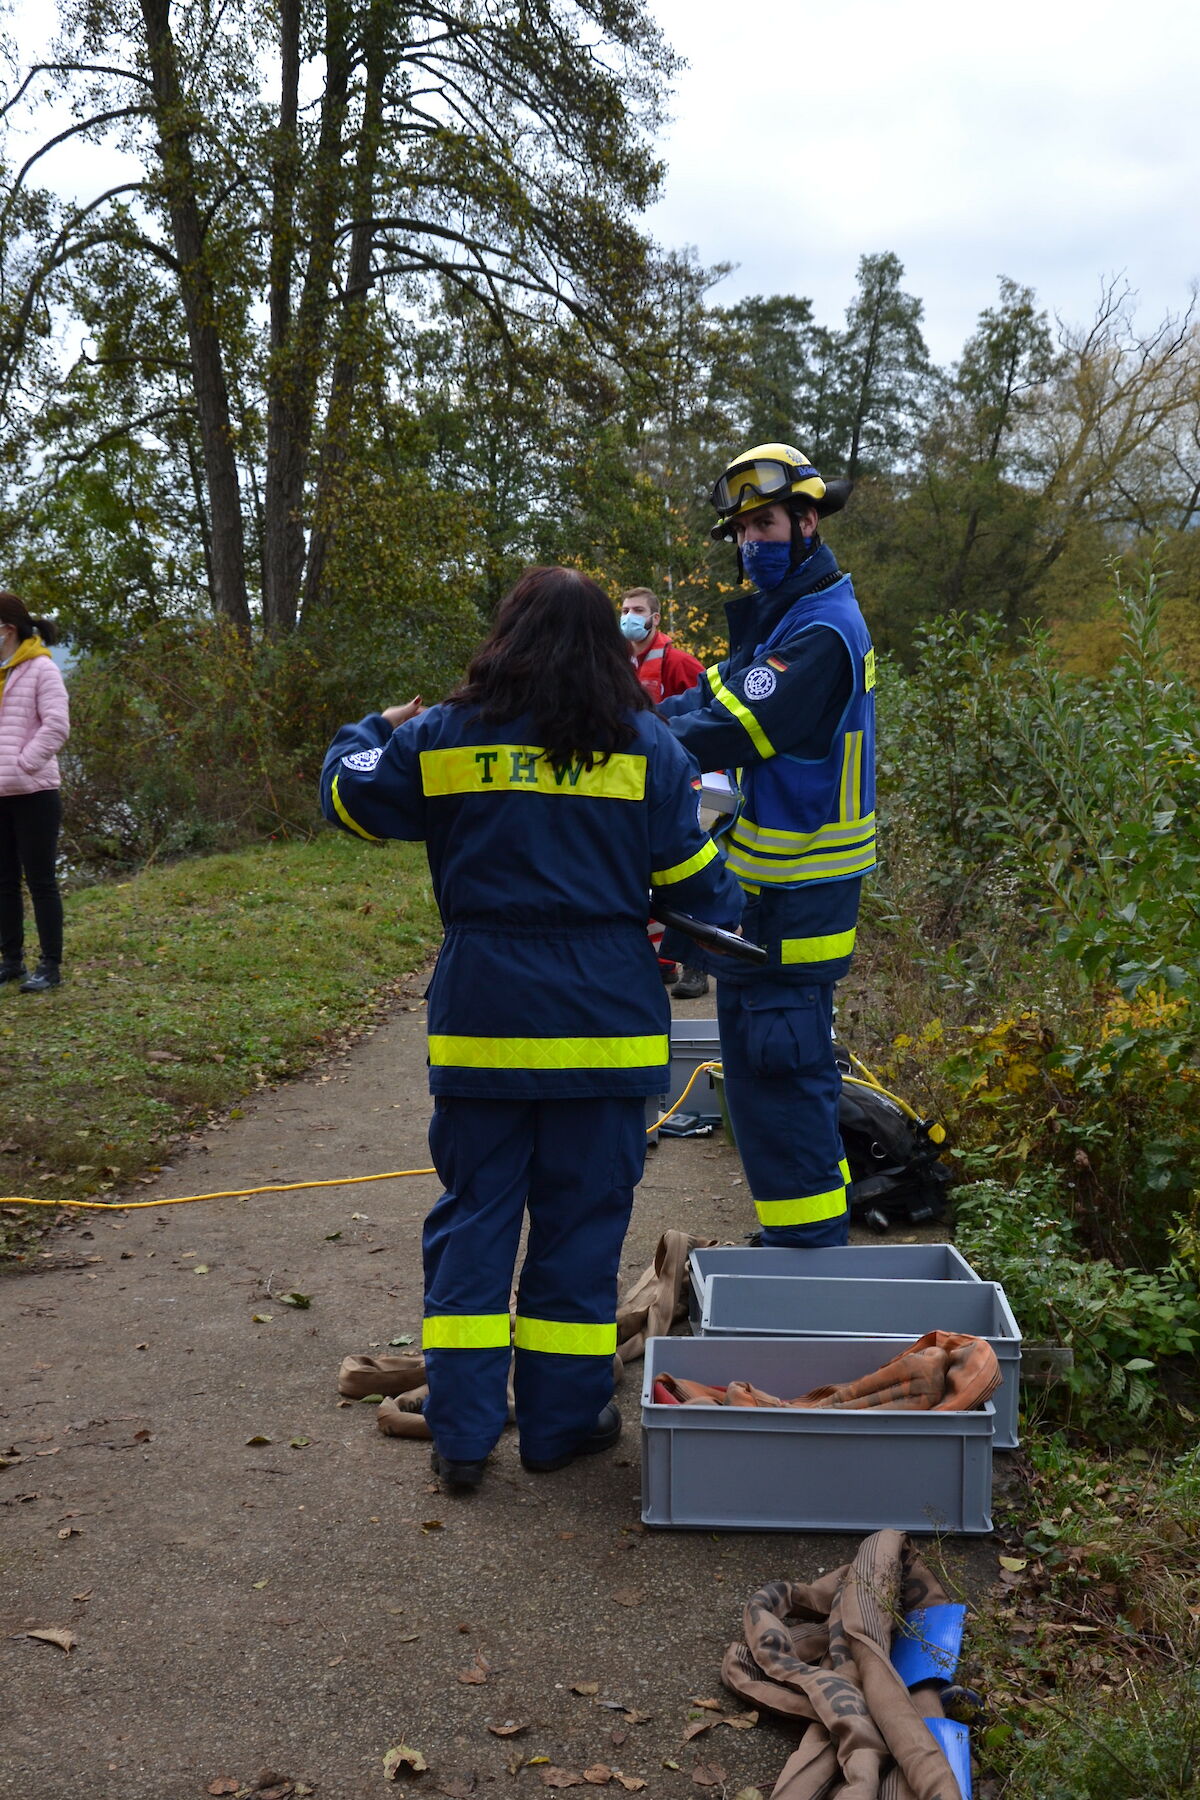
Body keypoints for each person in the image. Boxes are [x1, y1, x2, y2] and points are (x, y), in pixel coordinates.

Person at [319, 566, 742, 1491]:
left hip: (484, 1022)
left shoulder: (442, 736)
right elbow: (702, 889)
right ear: (611, 646)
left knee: (473, 1227)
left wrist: (369, 729)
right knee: (581, 1236)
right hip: (605, 1026)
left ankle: (463, 1439)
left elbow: (348, 795)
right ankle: (557, 1428)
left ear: (504, 637)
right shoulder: (649, 748)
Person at [657, 444, 876, 1248]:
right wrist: (623, 709)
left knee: (781, 1078)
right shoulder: (788, 616)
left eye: (767, 522)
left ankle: (809, 1258)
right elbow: (707, 696)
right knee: (763, 1078)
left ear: (809, 522)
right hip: (771, 899)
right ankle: (800, 1242)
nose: (753, 541)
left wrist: (618, 734)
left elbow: (732, 728)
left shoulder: (822, 629)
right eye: (743, 527)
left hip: (797, 901)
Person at [619, 588, 710, 998]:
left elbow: (709, 718)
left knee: (684, 864)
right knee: (642, 869)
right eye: (623, 610)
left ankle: (696, 965)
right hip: (638, 780)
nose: (629, 617)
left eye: (637, 611)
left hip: (688, 777)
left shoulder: (680, 663)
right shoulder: (618, 664)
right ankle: (661, 961)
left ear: (655, 618)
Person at [0, 594, 70, 994]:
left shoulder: (42, 669)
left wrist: (23, 764)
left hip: (34, 792)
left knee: (40, 880)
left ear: (7, 629)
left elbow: (57, 726)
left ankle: (50, 966)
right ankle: (11, 962)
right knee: (3, 881)